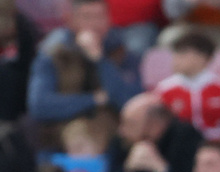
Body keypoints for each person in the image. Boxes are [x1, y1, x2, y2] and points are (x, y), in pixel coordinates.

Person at [27, 0, 142, 149]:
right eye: (87, 17)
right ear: (72, 21)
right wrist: (94, 99)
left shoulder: (122, 51)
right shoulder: (53, 53)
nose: (94, 24)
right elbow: (39, 106)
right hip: (63, 129)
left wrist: (100, 59)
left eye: (99, 16)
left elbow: (129, 103)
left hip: (116, 129)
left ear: (109, 19)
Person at [155, 30, 220, 141]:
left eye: (182, 54)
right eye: (176, 53)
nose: (175, 59)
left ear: (201, 57)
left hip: (215, 147)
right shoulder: (165, 90)